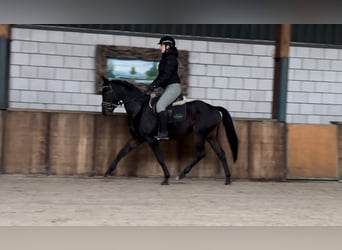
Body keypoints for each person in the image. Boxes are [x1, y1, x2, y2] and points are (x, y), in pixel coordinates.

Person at [147, 35, 182, 140]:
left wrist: (154, 85)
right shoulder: (166, 58)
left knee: (160, 106)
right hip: (168, 87)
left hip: (173, 87)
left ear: (168, 46)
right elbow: (160, 76)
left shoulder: (170, 59)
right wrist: (152, 85)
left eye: (161, 45)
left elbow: (166, 75)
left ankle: (164, 133)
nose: (160, 47)